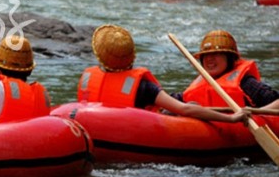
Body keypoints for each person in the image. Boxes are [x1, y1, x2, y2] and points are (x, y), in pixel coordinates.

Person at [77, 24, 247, 123]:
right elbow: (185, 110)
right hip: (131, 134)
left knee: (188, 103)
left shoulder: (88, 78)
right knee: (189, 105)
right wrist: (232, 119)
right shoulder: (143, 87)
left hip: (106, 134)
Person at [173, 30, 279, 108]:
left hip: (241, 127)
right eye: (206, 55)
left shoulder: (247, 84)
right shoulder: (199, 84)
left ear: (229, 57)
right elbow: (172, 100)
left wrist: (255, 116)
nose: (209, 59)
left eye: (216, 54)